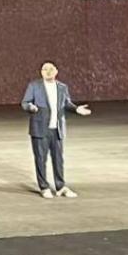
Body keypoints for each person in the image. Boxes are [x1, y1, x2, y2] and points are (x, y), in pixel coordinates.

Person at [20, 61, 91, 198]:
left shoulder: (62, 87)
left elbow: (66, 103)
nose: (48, 71)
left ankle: (61, 187)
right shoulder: (34, 86)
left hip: (57, 129)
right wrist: (30, 107)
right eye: (45, 69)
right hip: (40, 128)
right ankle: (44, 187)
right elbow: (25, 102)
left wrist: (76, 109)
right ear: (41, 72)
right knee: (41, 159)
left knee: (58, 159)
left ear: (56, 71)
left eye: (51, 69)